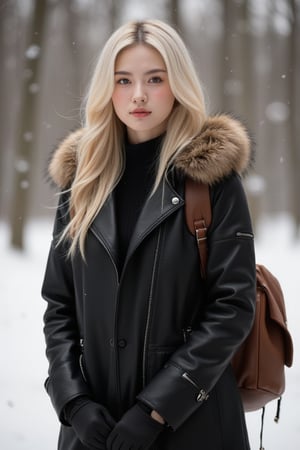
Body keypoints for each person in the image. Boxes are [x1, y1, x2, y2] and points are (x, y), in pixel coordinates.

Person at [42, 19, 256, 450]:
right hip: (93, 428)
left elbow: (232, 306)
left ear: (177, 84)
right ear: (108, 88)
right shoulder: (82, 180)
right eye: (124, 80)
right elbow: (60, 306)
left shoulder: (211, 179)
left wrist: (156, 410)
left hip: (192, 426)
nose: (138, 94)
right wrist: (73, 402)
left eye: (154, 79)